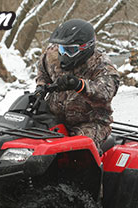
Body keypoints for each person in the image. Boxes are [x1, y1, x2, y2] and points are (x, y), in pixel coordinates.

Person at [36, 19, 119, 150]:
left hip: (90, 123)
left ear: (86, 46)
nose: (64, 54)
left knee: (77, 149)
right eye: (62, 49)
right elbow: (43, 71)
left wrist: (79, 85)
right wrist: (41, 86)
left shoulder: (101, 65)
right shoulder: (52, 56)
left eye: (70, 50)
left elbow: (105, 92)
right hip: (54, 117)